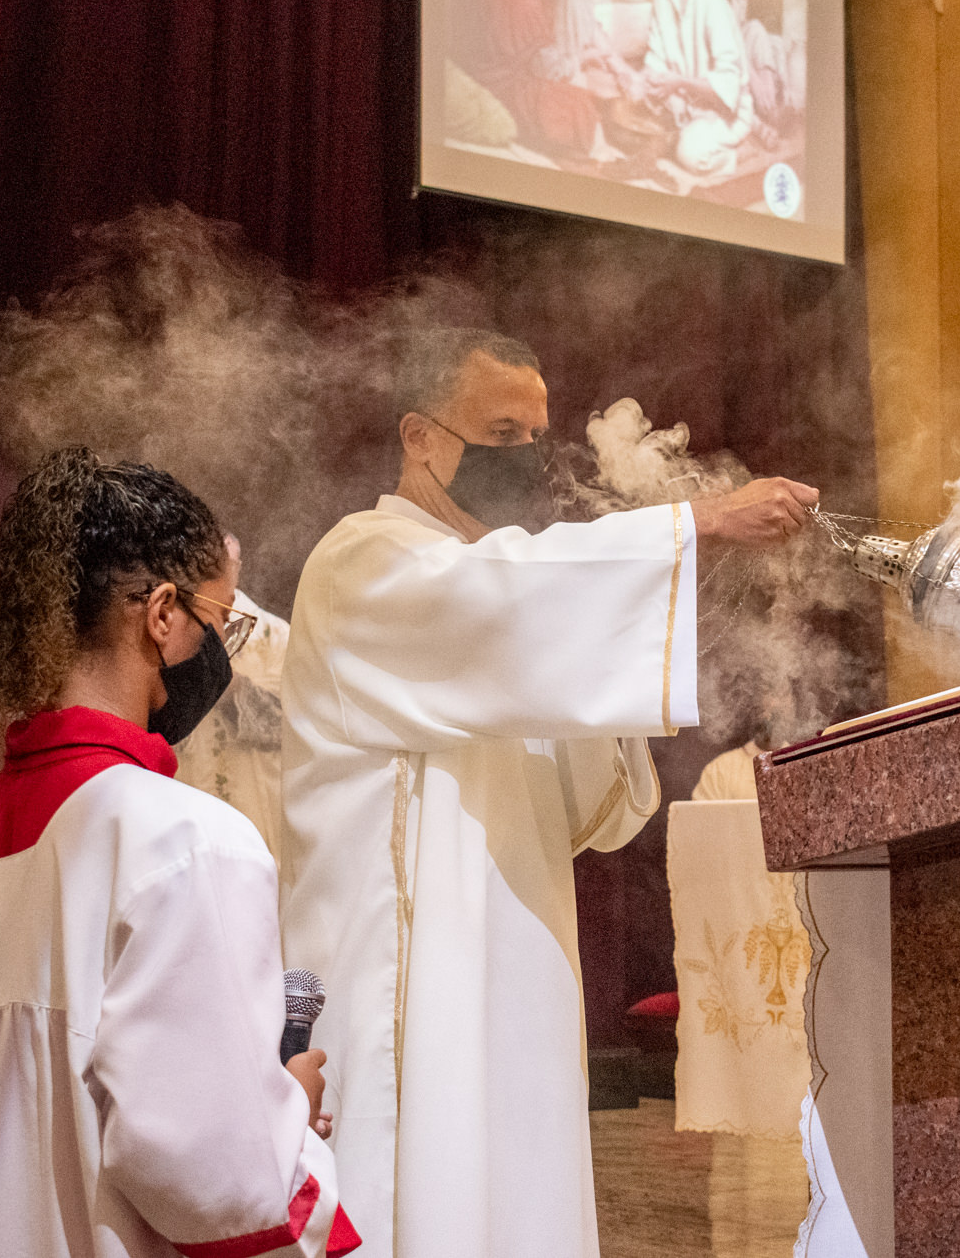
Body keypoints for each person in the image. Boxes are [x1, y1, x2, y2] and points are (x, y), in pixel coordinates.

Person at [278, 327, 817, 1258]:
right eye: (501, 432)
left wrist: (650, 618)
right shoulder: (363, 559)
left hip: (518, 965)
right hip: (410, 978)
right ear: (419, 436)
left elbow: (592, 807)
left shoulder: (513, 594)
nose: (525, 457)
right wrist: (696, 524)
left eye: (536, 435)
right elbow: (497, 596)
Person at [0, 448, 357, 1258]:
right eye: (221, 623)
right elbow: (215, 1174)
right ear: (162, 614)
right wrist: (285, 1110)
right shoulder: (187, 839)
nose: (221, 656)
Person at [449, 0, 626, 158]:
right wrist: (581, 60)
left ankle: (618, 71)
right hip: (490, 79)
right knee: (580, 108)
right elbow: (545, 68)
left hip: (495, 49)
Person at [172, 534, 296, 872]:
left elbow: (293, 724)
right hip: (185, 805)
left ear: (236, 567)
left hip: (254, 808)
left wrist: (231, 689)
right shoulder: (172, 628)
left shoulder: (273, 637)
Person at [636, 0, 756, 175]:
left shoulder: (711, 0)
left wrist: (678, 83)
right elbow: (655, 61)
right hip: (684, 104)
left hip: (726, 112)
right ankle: (682, 132)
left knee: (689, 153)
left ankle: (740, 152)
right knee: (624, 119)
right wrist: (647, 82)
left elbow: (728, 86)